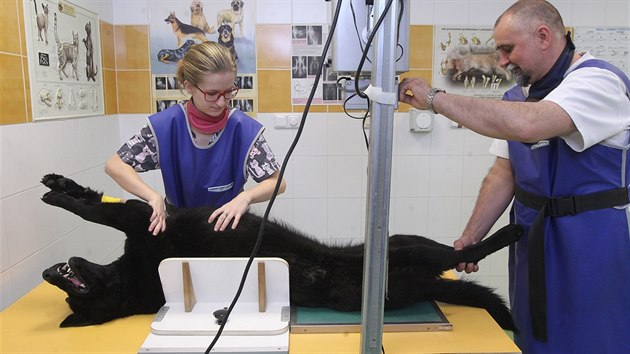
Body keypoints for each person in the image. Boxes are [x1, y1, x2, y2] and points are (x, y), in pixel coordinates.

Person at [398, 1, 630, 353]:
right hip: (531, 236)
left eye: (508, 49)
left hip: (589, 240)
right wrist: (471, 238)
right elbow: (504, 173)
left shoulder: (597, 82)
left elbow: (528, 124)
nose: (503, 61)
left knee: (591, 334)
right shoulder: (519, 95)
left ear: (542, 36)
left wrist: (435, 98)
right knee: (533, 332)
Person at [106, 41, 286, 236]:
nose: (221, 102)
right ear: (189, 87)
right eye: (212, 94)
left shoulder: (243, 129)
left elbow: (278, 182)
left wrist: (247, 197)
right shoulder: (165, 126)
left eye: (228, 92)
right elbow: (114, 165)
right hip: (180, 229)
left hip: (228, 231)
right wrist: (152, 196)